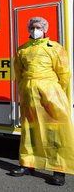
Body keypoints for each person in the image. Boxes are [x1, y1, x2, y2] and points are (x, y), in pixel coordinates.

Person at [10, 17, 74, 186]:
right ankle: (27, 164)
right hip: (29, 95)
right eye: (32, 27)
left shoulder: (55, 48)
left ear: (45, 29)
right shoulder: (22, 50)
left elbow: (64, 74)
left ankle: (59, 170)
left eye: (38, 27)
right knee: (29, 131)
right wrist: (25, 90)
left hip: (51, 94)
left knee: (55, 132)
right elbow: (19, 72)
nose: (35, 30)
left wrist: (55, 91)